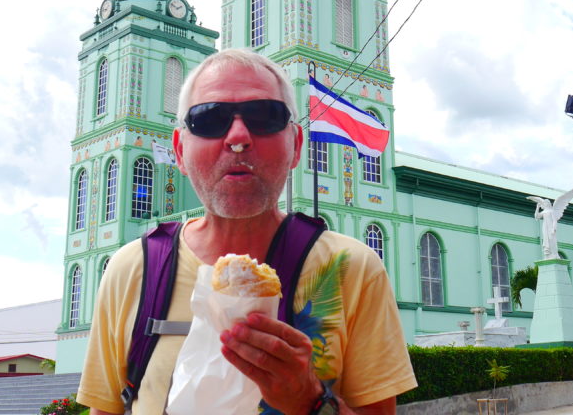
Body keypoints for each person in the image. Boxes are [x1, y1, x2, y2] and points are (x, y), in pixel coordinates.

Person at [77, 49, 417, 415]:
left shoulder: (352, 268)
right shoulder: (132, 267)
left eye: (265, 116)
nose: (238, 136)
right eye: (209, 119)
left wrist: (311, 400)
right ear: (179, 150)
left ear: (296, 145)